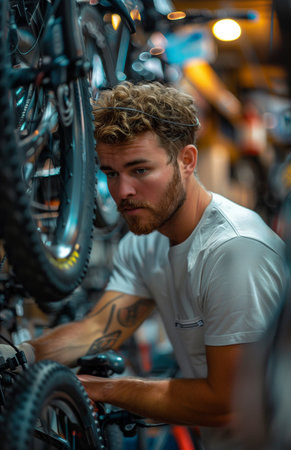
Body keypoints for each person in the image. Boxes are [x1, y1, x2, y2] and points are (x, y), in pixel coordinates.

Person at [0, 81, 286, 449]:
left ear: (187, 161)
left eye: (140, 170)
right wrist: (21, 357)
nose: (123, 192)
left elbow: (227, 403)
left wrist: (104, 389)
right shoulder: (147, 242)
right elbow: (97, 329)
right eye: (111, 173)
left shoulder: (234, 250)